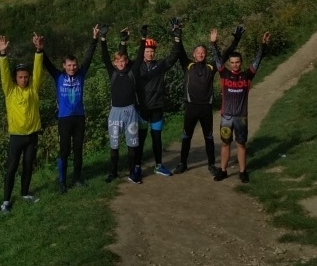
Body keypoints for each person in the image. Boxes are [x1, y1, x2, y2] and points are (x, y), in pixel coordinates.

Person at [173, 23, 244, 175]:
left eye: (203, 52)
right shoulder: (188, 65)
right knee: (186, 136)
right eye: (198, 52)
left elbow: (225, 55)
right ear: (193, 54)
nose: (201, 54)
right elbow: (178, 51)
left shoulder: (211, 67)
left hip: (205, 107)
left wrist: (235, 40)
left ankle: (212, 164)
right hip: (191, 107)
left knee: (209, 137)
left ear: (205, 55)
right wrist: (177, 35)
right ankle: (182, 163)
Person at [118, 22, 181, 180]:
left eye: (152, 51)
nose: (150, 54)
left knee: (157, 138)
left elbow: (174, 56)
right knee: (140, 138)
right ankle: (138, 166)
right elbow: (122, 59)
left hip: (157, 108)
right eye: (147, 51)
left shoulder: (160, 65)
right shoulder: (136, 66)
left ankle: (159, 165)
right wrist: (123, 41)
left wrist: (177, 38)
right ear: (143, 52)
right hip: (141, 109)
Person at [42, 25, 100, 194]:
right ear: (64, 66)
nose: (73, 68)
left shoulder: (81, 75)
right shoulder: (58, 76)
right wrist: (40, 49)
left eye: (74, 65)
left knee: (78, 149)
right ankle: (62, 182)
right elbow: (46, 63)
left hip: (79, 117)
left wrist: (94, 39)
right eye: (69, 65)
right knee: (64, 150)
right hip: (64, 119)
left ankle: (77, 178)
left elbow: (88, 57)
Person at [211, 30, 271, 183]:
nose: (235, 65)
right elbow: (218, 60)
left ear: (241, 63)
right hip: (226, 116)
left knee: (241, 144)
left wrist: (263, 45)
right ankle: (223, 170)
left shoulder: (247, 75)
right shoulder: (224, 74)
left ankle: (243, 171)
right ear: (229, 64)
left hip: (241, 116)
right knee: (225, 144)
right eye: (232, 62)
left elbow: (258, 61)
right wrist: (213, 44)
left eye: (237, 62)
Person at [0, 33, 45, 214]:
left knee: (28, 164)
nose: (24, 80)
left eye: (26, 77)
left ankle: (25, 193)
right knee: (12, 167)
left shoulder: (33, 89)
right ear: (15, 78)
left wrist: (39, 51)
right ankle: (6, 201)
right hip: (16, 136)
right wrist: (3, 55)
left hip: (32, 135)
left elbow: (39, 72)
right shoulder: (10, 91)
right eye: (20, 77)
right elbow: (4, 75)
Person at [100, 25, 145, 184]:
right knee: (114, 145)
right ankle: (113, 172)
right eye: (117, 61)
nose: (120, 63)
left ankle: (132, 172)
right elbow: (105, 57)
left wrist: (143, 39)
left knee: (132, 144)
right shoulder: (112, 72)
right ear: (114, 62)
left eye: (123, 60)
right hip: (115, 112)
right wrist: (103, 39)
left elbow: (140, 58)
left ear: (126, 61)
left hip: (130, 112)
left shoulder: (132, 72)